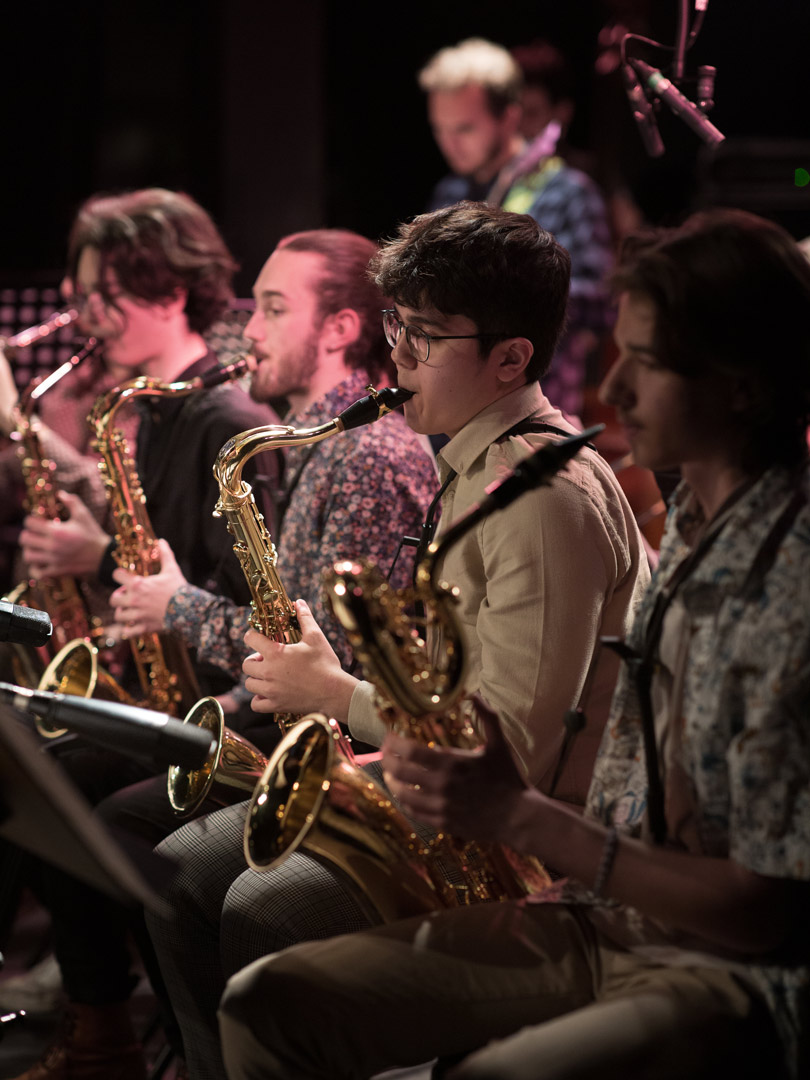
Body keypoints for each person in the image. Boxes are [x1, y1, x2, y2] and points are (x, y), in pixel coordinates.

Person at [218, 208, 810, 1080]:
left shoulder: (788, 581)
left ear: (741, 386)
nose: (614, 390)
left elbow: (768, 914)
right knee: (266, 1002)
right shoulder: (692, 519)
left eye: (647, 363)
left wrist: (358, 707)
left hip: (730, 968)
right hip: (604, 909)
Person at [144, 202, 649, 1080]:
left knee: (259, 907)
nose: (397, 356)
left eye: (423, 335)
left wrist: (336, 695)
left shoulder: (537, 497)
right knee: (180, 867)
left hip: (523, 845)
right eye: (395, 326)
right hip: (449, 788)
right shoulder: (471, 462)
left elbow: (513, 755)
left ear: (511, 357)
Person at [43, 228, 438, 1080]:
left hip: (339, 744)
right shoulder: (304, 441)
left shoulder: (368, 452)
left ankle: (186, 1047)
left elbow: (329, 656)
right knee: (97, 798)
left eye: (271, 308)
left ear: (338, 329)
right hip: (280, 719)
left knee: (131, 824)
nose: (245, 330)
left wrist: (176, 605)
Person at [6, 187, 281, 1080]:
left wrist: (99, 563)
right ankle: (99, 1017)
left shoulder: (224, 418)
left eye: (104, 296)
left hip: (226, 705)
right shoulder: (155, 407)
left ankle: (110, 1024)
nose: (87, 318)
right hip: (167, 678)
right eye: (82, 295)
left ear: (169, 287)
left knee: (55, 778)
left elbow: (248, 598)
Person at [420, 38, 613, 419]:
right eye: (440, 129)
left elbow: (602, 304)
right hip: (454, 407)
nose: (450, 144)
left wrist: (495, 289)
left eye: (464, 128)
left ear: (509, 117)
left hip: (534, 409)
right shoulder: (450, 193)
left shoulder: (566, 192)